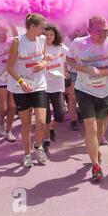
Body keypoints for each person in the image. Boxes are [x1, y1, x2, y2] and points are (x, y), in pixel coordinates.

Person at [66, 16, 108, 182]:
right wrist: (79, 68)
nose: (103, 34)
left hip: (105, 91)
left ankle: (95, 147)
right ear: (89, 31)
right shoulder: (79, 43)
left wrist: (101, 73)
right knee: (90, 127)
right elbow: (69, 58)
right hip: (84, 90)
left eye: (105, 30)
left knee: (101, 126)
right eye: (99, 31)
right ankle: (95, 165)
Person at [7, 13, 49, 168]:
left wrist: (43, 64)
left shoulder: (42, 40)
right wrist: (21, 81)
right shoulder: (17, 42)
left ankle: (38, 147)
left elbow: (45, 58)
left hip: (38, 84)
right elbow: (9, 67)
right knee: (25, 124)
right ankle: (26, 154)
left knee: (41, 122)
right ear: (32, 27)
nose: (44, 31)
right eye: (42, 27)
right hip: (20, 87)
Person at [42, 24, 69, 152]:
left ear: (55, 35)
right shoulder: (39, 47)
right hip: (42, 86)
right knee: (46, 116)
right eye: (46, 35)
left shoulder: (60, 48)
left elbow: (73, 56)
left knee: (60, 115)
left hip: (57, 85)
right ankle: (46, 139)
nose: (48, 37)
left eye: (51, 35)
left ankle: (51, 128)